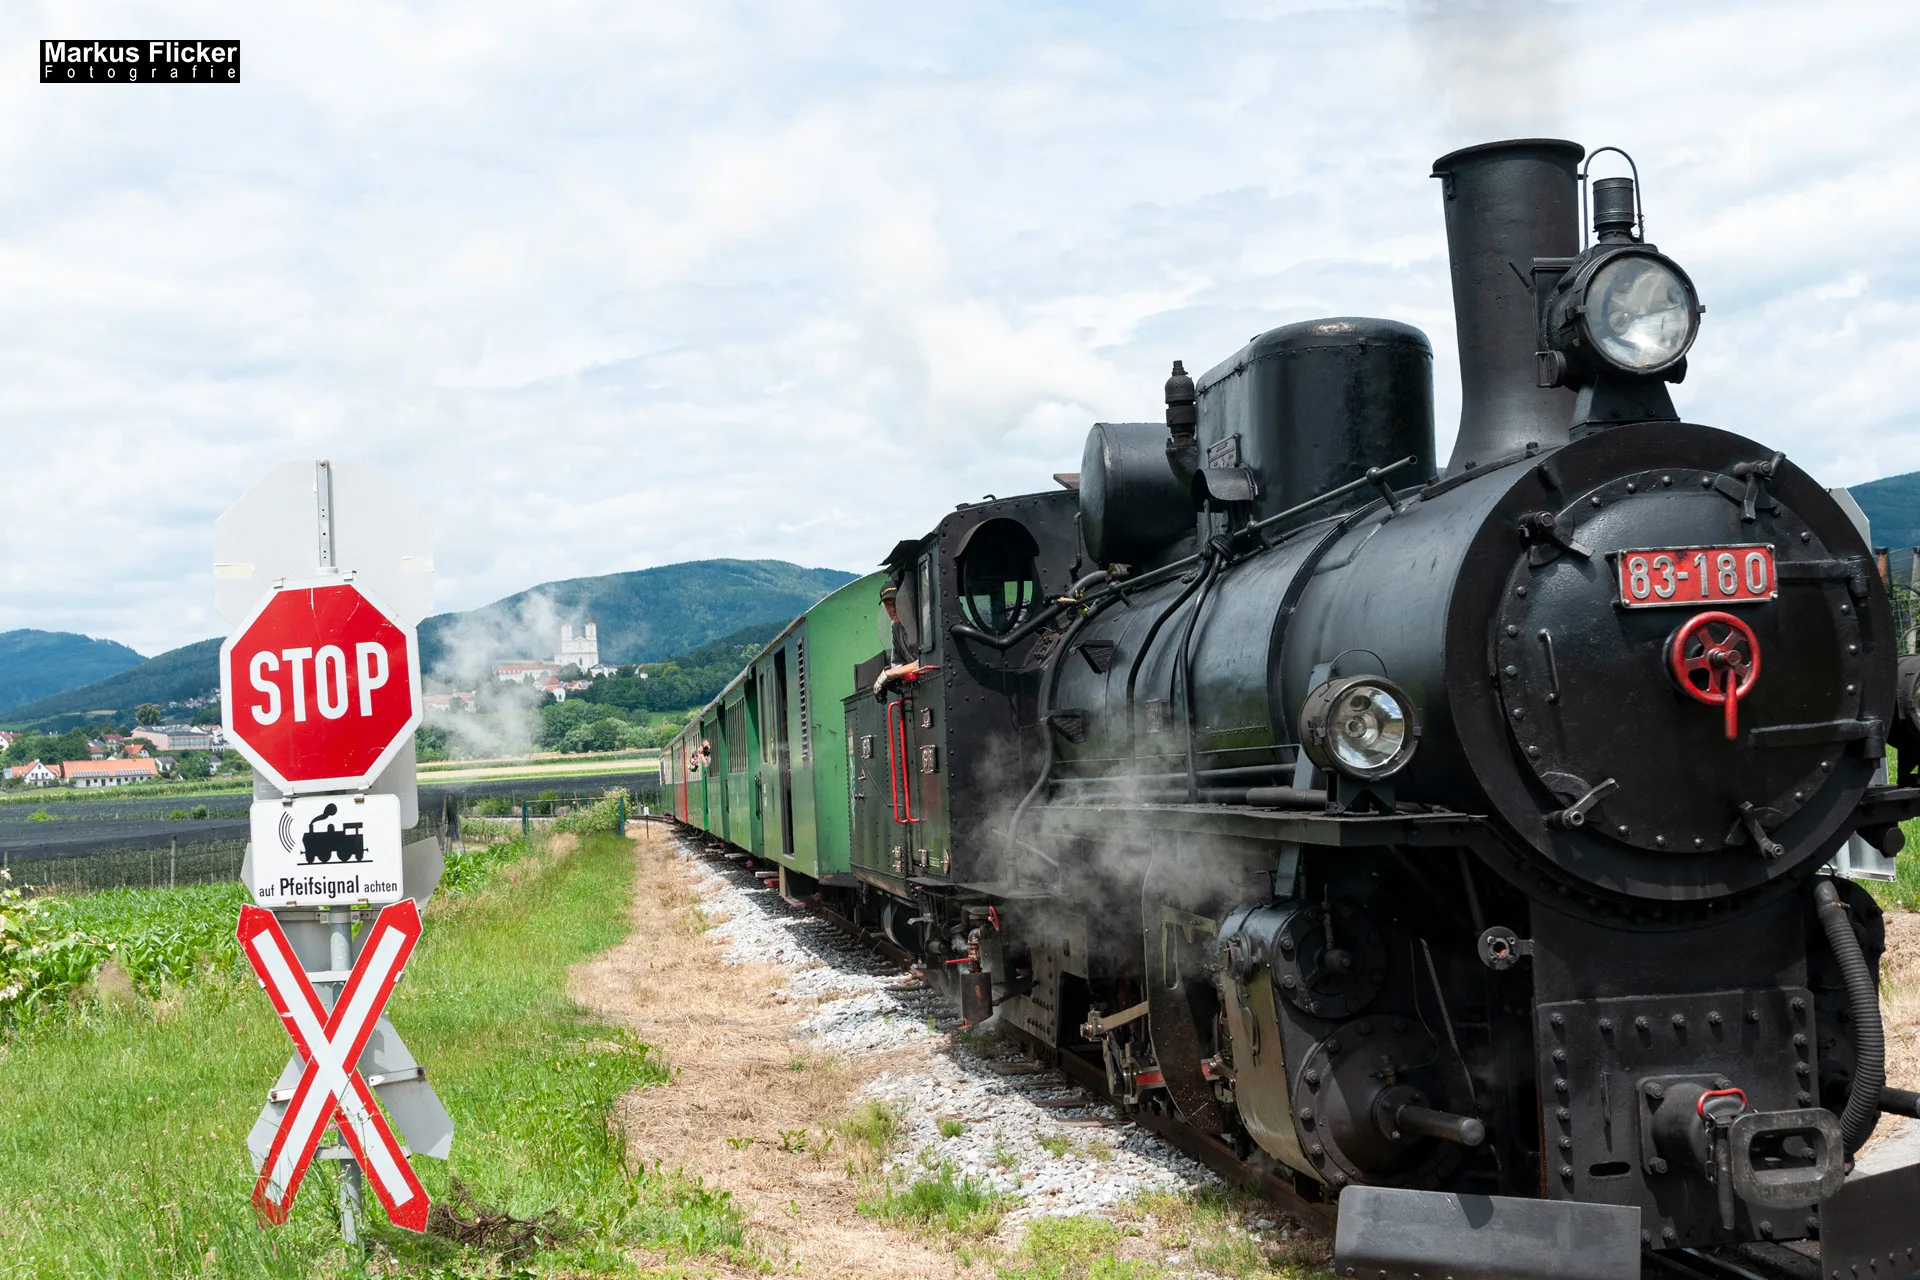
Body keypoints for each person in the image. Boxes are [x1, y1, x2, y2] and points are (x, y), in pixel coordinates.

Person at [873, 578, 922, 698]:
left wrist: (889, 673)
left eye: (896, 602)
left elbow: (926, 661)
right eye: (888, 605)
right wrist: (890, 675)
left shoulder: (921, 620)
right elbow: (897, 663)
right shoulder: (895, 626)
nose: (893, 609)